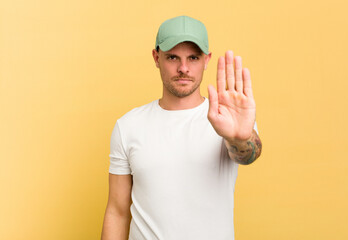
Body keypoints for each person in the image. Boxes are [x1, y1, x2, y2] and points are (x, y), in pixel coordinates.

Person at [101, 15, 262, 240]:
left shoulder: (227, 120)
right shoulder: (128, 126)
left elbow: (247, 155)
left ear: (207, 60)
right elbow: (117, 212)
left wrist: (239, 138)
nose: (183, 68)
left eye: (193, 57)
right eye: (173, 57)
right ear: (156, 57)